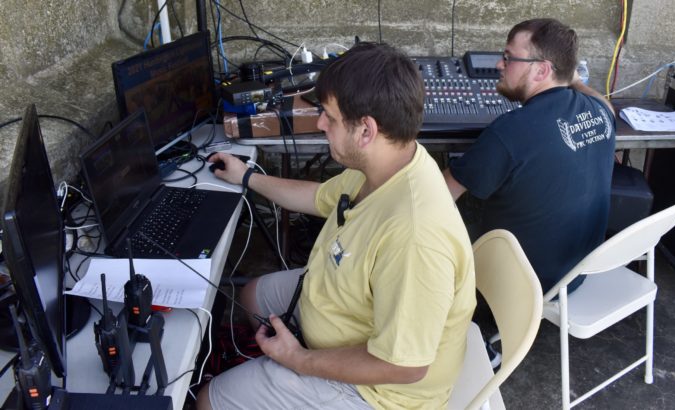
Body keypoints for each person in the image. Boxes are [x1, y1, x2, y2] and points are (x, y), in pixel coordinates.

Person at [198, 42, 476, 409]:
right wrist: (247, 177)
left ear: (366, 131)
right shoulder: (389, 163)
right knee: (251, 297)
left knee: (209, 400)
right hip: (346, 308)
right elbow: (317, 197)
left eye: (329, 116)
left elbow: (405, 366)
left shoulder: (416, 238)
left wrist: (300, 360)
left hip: (381, 392)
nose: (320, 124)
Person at [443, 18, 616, 293]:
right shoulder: (599, 113)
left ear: (541, 70)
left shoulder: (510, 132)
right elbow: (607, 106)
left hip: (517, 289)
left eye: (508, 58)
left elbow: (440, 196)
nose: (499, 65)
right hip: (574, 276)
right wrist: (575, 81)